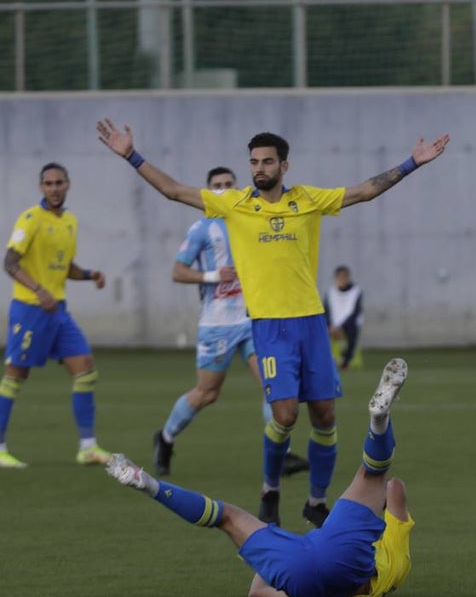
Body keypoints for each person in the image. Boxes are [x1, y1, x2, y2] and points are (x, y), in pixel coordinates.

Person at [96, 119, 449, 528]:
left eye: (267, 161)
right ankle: (270, 489)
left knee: (325, 418)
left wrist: (413, 162)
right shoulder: (235, 203)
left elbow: (365, 191)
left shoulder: (308, 200)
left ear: (284, 165)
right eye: (254, 162)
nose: (259, 168)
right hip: (269, 327)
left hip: (311, 325)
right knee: (283, 416)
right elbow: (174, 190)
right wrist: (131, 156)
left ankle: (317, 501)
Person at [105, 358, 415, 597]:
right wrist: (278, 556)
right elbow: (257, 590)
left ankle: (148, 483)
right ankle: (150, 486)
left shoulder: (394, 557)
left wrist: (373, 509)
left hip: (341, 553)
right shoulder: (395, 569)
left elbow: (395, 487)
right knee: (228, 519)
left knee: (372, 472)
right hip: (309, 582)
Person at [154, 166, 308, 478]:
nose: (223, 189)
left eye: (228, 184)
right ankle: (166, 438)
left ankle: (282, 454)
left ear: (238, 187)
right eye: (217, 185)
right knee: (207, 393)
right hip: (218, 324)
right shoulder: (201, 228)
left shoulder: (251, 219)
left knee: (272, 388)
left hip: (255, 320)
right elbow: (177, 271)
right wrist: (212, 275)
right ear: (208, 191)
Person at [0, 163, 111, 469]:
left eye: (59, 182)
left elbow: (65, 267)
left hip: (58, 311)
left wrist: (90, 275)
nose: (54, 188)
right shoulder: (31, 218)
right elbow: (9, 262)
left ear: (68, 185)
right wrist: (38, 290)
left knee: (85, 369)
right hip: (30, 309)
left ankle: (87, 448)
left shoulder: (70, 221)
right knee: (15, 376)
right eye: (48, 184)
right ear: (41, 188)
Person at [324, 265, 364, 371]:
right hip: (332, 326)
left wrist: (341, 327)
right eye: (340, 277)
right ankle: (325, 361)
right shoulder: (330, 293)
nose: (342, 280)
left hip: (348, 325)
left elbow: (355, 312)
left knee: (353, 331)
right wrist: (330, 325)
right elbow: (325, 311)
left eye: (344, 277)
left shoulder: (356, 291)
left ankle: (346, 362)